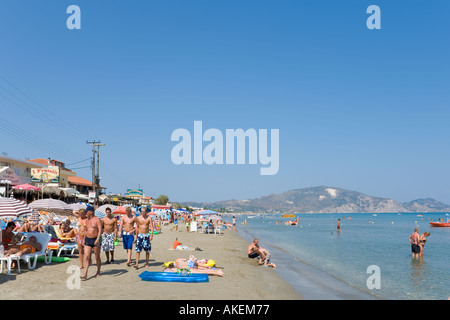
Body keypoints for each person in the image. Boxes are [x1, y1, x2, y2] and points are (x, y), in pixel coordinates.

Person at [81, 206, 102, 279]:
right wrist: (84, 239)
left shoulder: (97, 219)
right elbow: (86, 230)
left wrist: (98, 239)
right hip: (88, 240)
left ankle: (98, 271)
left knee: (97, 257)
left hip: (95, 239)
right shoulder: (86, 220)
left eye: (87, 211)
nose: (86, 213)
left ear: (91, 212)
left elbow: (100, 230)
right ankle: (85, 273)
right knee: (86, 256)